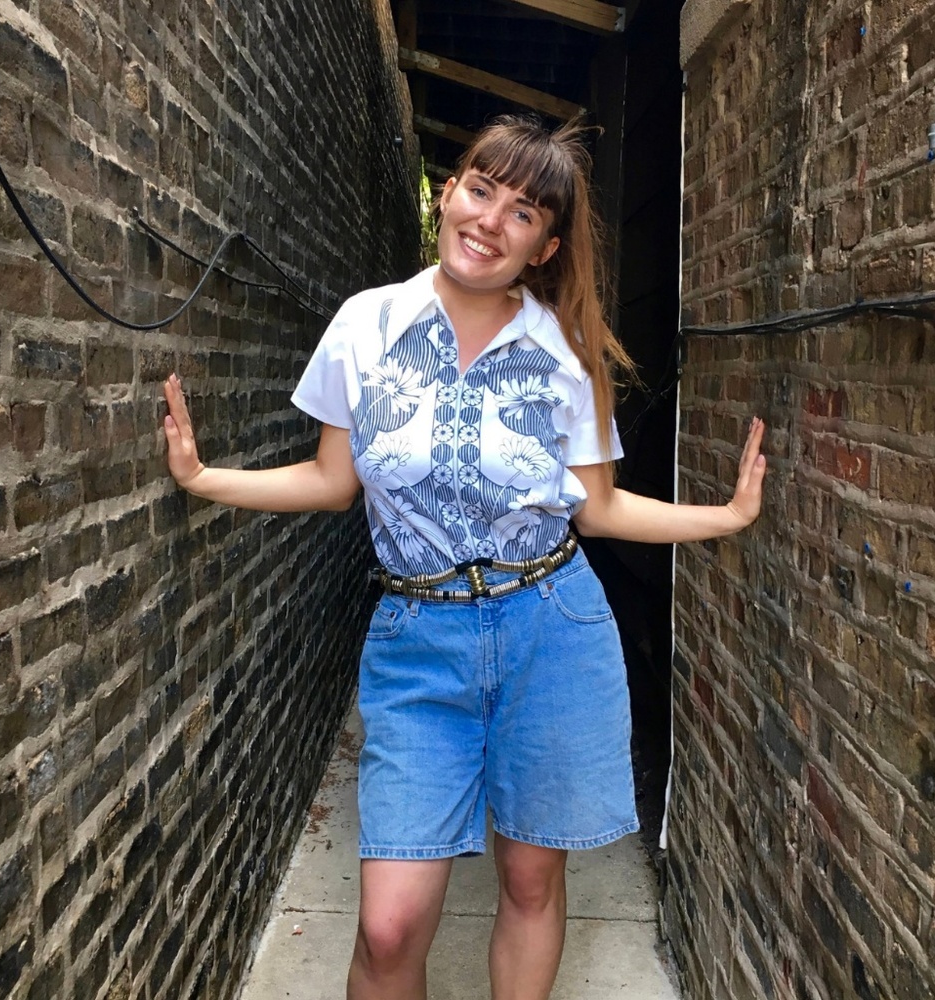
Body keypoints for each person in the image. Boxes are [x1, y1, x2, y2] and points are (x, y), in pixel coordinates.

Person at [163, 116, 766, 1000]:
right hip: (418, 639)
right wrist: (208, 477)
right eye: (481, 190)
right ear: (448, 194)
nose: (491, 220)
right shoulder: (365, 325)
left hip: (550, 628)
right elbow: (335, 481)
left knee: (530, 882)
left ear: (545, 245)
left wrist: (723, 516)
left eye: (524, 213)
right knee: (389, 924)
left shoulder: (565, 351)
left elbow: (595, 508)